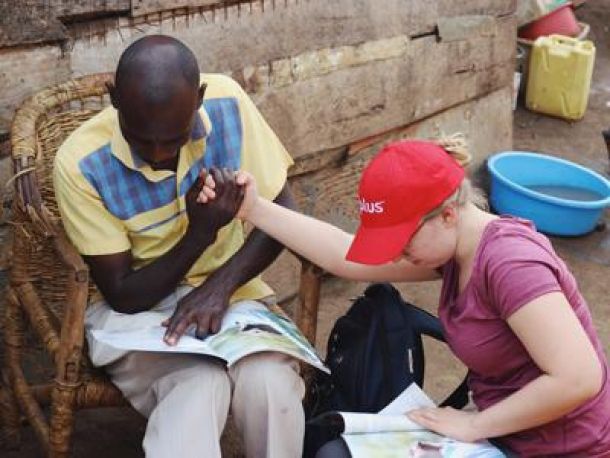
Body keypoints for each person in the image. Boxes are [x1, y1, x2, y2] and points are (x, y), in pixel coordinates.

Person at [199, 137, 610, 456]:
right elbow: (344, 254)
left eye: (402, 240)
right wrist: (254, 209)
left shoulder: (511, 263)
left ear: (447, 215)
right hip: (505, 433)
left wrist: (473, 425)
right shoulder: (455, 249)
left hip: (561, 448)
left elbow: (579, 378)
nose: (396, 255)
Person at [53, 35, 305, 458]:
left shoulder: (228, 103)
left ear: (199, 98)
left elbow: (283, 214)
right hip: (136, 314)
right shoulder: (80, 162)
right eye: (141, 138)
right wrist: (200, 234)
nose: (158, 154)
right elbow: (124, 295)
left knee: (270, 382)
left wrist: (219, 287)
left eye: (174, 138)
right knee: (198, 385)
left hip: (233, 293)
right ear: (114, 99)